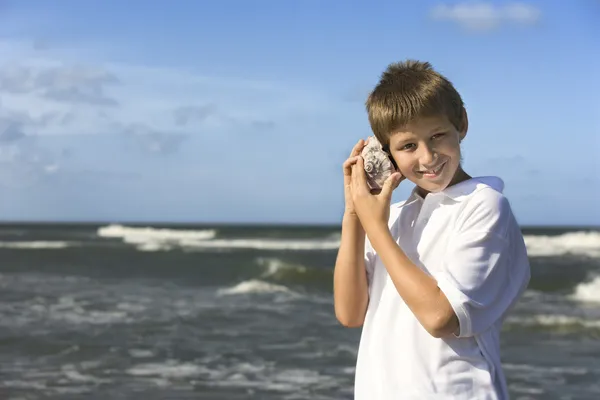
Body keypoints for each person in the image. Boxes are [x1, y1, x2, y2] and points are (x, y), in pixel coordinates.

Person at [333, 59, 530, 399]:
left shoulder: (484, 206)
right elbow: (350, 313)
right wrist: (355, 214)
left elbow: (441, 317)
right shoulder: (392, 217)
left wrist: (376, 229)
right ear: (388, 153)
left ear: (462, 124)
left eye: (437, 136)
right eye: (408, 146)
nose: (427, 157)